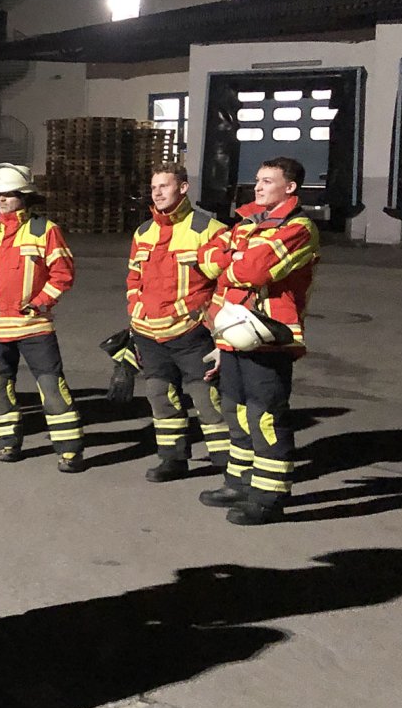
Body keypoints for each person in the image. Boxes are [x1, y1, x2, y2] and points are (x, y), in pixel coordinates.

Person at [196, 157, 320, 525]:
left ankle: (269, 496)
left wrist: (232, 259)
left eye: (268, 181)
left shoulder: (299, 227)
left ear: (290, 188)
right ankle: (239, 481)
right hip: (233, 336)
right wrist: (219, 340)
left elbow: (253, 271)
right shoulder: (247, 224)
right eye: (257, 180)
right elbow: (209, 265)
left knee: (265, 417)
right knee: (235, 412)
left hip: (269, 339)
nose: (258, 186)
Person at [126, 163, 230, 482]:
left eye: (164, 186)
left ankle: (227, 460)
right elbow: (134, 278)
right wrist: (135, 310)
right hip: (149, 334)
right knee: (160, 396)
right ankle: (173, 459)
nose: (157, 192)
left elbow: (226, 285)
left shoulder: (210, 230)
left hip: (192, 333)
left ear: (183, 188)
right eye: (154, 187)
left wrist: (212, 323)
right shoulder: (143, 232)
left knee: (206, 398)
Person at [0, 162, 83, 472]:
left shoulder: (45, 230)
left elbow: (63, 274)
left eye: (9, 195)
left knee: (52, 388)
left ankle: (69, 451)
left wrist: (39, 304)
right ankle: (7, 444)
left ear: (24, 196)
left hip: (35, 326)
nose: (3, 200)